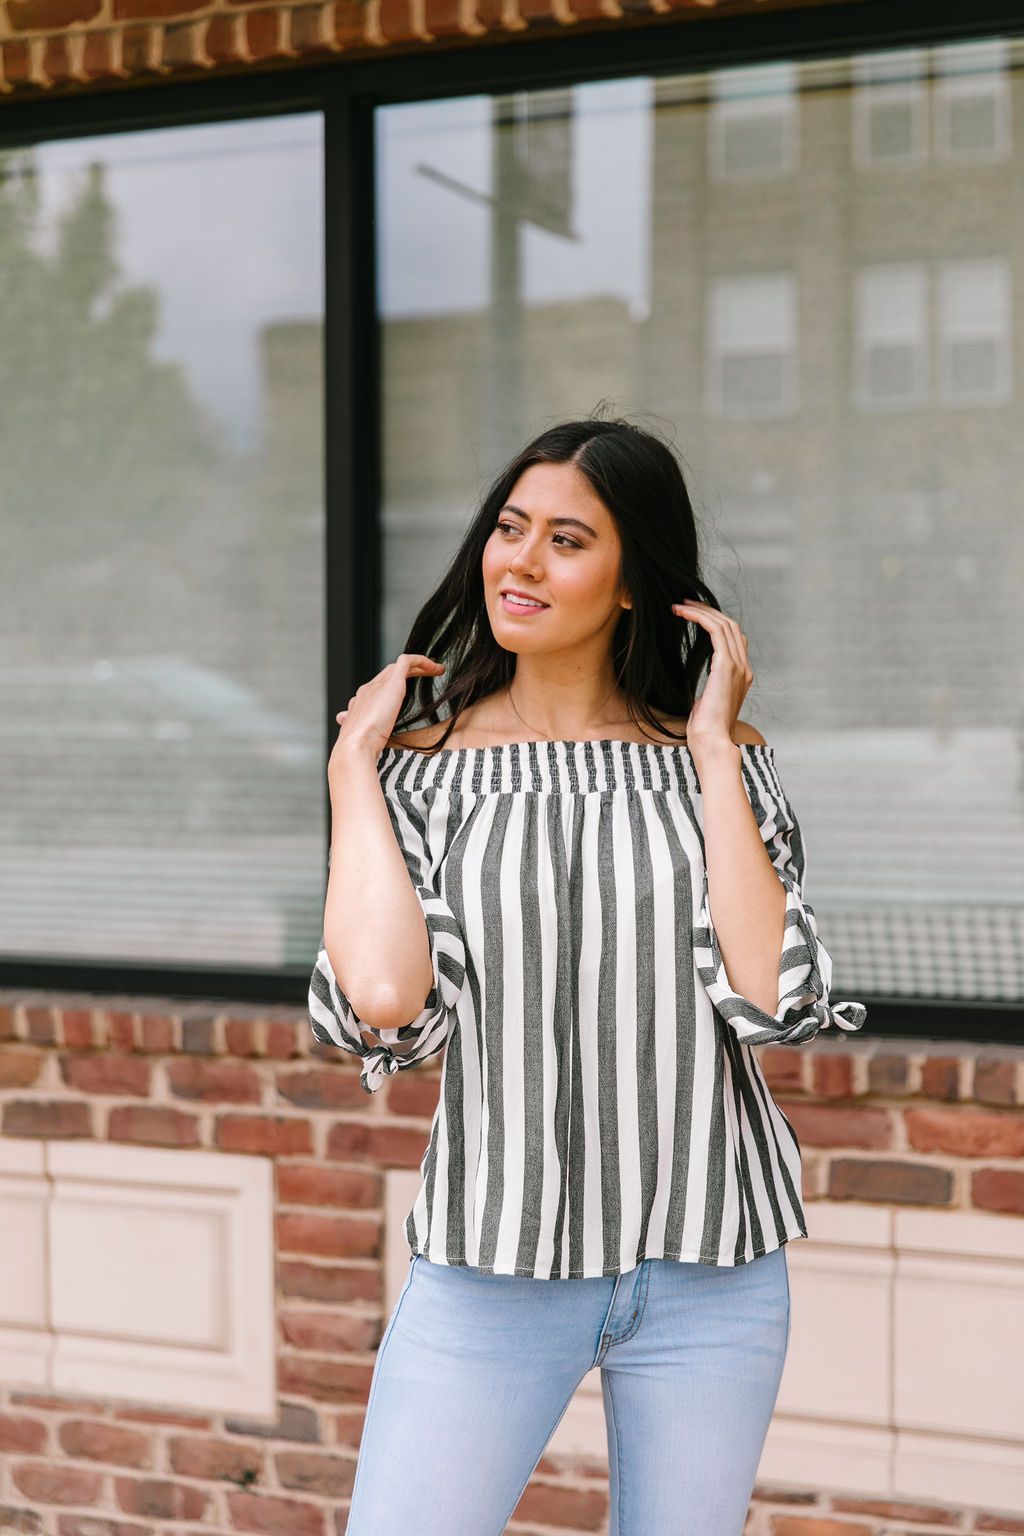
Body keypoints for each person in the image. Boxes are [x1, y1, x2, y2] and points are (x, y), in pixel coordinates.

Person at [308, 415, 867, 1536]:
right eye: (510, 528)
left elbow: (770, 999)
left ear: (628, 582)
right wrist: (352, 775)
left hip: (714, 1270)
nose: (520, 560)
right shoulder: (421, 774)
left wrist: (710, 744)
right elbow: (382, 1005)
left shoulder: (724, 766)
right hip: (492, 1270)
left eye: (568, 539)